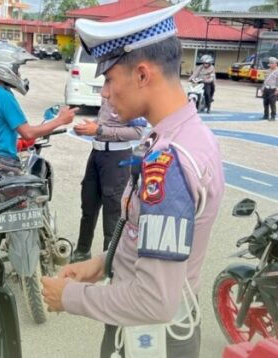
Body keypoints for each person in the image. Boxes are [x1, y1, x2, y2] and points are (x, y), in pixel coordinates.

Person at [40, 2, 225, 357]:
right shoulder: (187, 136)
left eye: (109, 79)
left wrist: (69, 298)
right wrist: (102, 264)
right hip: (157, 330)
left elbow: (154, 301)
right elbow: (142, 234)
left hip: (152, 340)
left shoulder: (169, 162)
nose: (104, 93)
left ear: (142, 75)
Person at [0, 43, 78, 203]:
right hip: (2, 165)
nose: (18, 73)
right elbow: (28, 132)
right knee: (21, 211)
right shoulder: (4, 97)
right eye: (16, 68)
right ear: (4, 68)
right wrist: (60, 120)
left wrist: (5, 139)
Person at [70, 99, 144, 263]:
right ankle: (82, 250)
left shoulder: (129, 94)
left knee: (112, 212)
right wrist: (90, 127)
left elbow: (137, 132)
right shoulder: (108, 92)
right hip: (96, 154)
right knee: (88, 205)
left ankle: (109, 260)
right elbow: (105, 122)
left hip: (116, 158)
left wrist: (100, 129)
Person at [261, 57, 278, 121]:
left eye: (272, 63)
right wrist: (262, 88)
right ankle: (266, 115)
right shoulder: (267, 71)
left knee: (272, 103)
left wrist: (277, 89)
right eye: (270, 63)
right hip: (266, 88)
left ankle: (273, 116)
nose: (270, 65)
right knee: (265, 102)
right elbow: (265, 80)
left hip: (273, 89)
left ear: (275, 64)